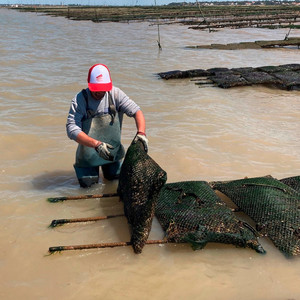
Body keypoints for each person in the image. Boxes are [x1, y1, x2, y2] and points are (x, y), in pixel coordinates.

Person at [66, 64, 148, 188]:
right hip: (88, 156)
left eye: (103, 88)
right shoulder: (80, 100)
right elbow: (71, 128)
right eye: (96, 89)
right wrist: (96, 145)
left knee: (115, 184)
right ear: (89, 84)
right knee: (88, 188)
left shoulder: (115, 94)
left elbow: (137, 111)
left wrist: (141, 133)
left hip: (112, 154)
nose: (99, 92)